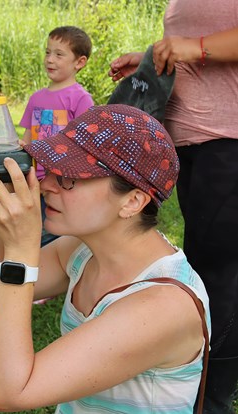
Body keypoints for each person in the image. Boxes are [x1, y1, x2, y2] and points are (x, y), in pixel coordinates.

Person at [0, 104, 210, 413]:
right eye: (51, 169)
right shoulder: (81, 251)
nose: (47, 185)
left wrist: (21, 255)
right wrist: (5, 201)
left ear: (133, 200)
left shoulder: (163, 306)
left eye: (70, 178)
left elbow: (7, 393)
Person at [108, 4, 238, 412]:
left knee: (220, 276)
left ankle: (210, 398)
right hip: (195, 142)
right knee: (206, 264)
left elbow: (204, 46)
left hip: (229, 142)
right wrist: (154, 57)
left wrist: (195, 47)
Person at [19, 26, 94, 247]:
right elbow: (28, 136)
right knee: (32, 230)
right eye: (47, 52)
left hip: (62, 182)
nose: (50, 59)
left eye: (59, 54)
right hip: (34, 181)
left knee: (57, 233)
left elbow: (84, 146)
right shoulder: (36, 98)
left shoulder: (81, 99)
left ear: (79, 62)